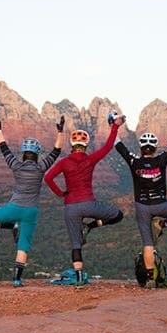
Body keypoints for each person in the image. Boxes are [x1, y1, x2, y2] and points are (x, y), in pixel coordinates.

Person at [113, 107, 167, 289]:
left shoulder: (134, 161)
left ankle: (150, 278)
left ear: (141, 148)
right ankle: (163, 224)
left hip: (142, 208)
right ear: (154, 148)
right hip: (162, 206)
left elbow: (118, 145)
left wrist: (113, 126)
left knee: (148, 244)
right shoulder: (161, 160)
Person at [0, 113, 65, 287]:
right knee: (23, 245)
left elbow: (4, 148)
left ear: (24, 153)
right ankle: (17, 279)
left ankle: (11, 225)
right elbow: (56, 152)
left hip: (14, 207)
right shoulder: (42, 167)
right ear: (36, 154)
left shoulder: (16, 166)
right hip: (31, 211)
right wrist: (60, 132)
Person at [43, 116, 125, 286]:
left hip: (70, 207)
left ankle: (79, 278)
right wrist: (115, 127)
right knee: (118, 216)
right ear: (86, 145)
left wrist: (61, 193)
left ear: (71, 146)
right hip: (90, 205)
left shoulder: (64, 162)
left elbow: (48, 177)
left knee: (75, 244)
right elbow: (108, 146)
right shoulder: (90, 159)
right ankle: (90, 226)